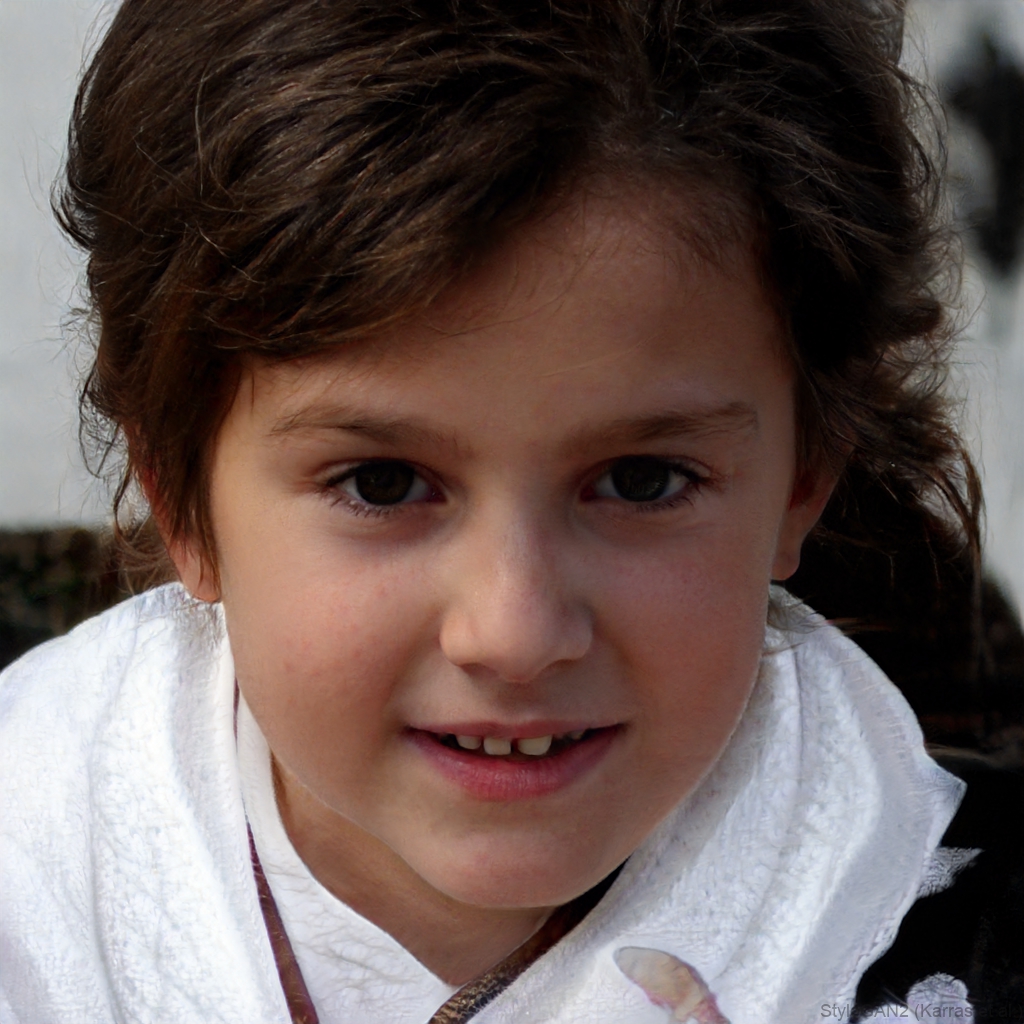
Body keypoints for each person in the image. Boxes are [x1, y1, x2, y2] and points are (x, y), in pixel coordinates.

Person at [0, 1, 1009, 1021]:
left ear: (805, 475)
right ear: (180, 499)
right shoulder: (29, 876)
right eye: (383, 484)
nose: (515, 634)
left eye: (642, 481)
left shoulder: (956, 938)